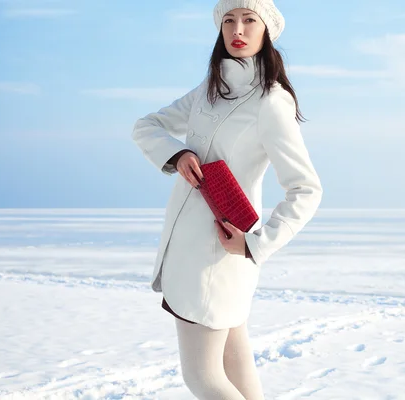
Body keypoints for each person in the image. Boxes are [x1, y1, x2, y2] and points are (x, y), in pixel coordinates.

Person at [131, 0, 322, 398]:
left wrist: (256, 243)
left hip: (222, 253)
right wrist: (178, 153)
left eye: (249, 20)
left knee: (202, 377)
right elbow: (147, 126)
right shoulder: (209, 91)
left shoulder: (270, 102)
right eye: (229, 20)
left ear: (265, 30)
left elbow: (305, 189)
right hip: (186, 249)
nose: (238, 28)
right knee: (237, 369)